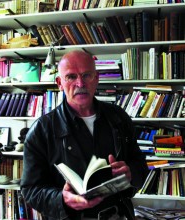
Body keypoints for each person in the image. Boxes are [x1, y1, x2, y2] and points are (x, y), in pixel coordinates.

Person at [21, 50, 149, 220]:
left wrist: (130, 173)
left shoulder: (119, 117)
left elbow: (139, 163)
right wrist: (61, 199)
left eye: (86, 75)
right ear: (60, 83)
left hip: (118, 214)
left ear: (96, 78)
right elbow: (30, 190)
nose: (80, 83)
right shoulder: (41, 130)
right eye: (71, 77)